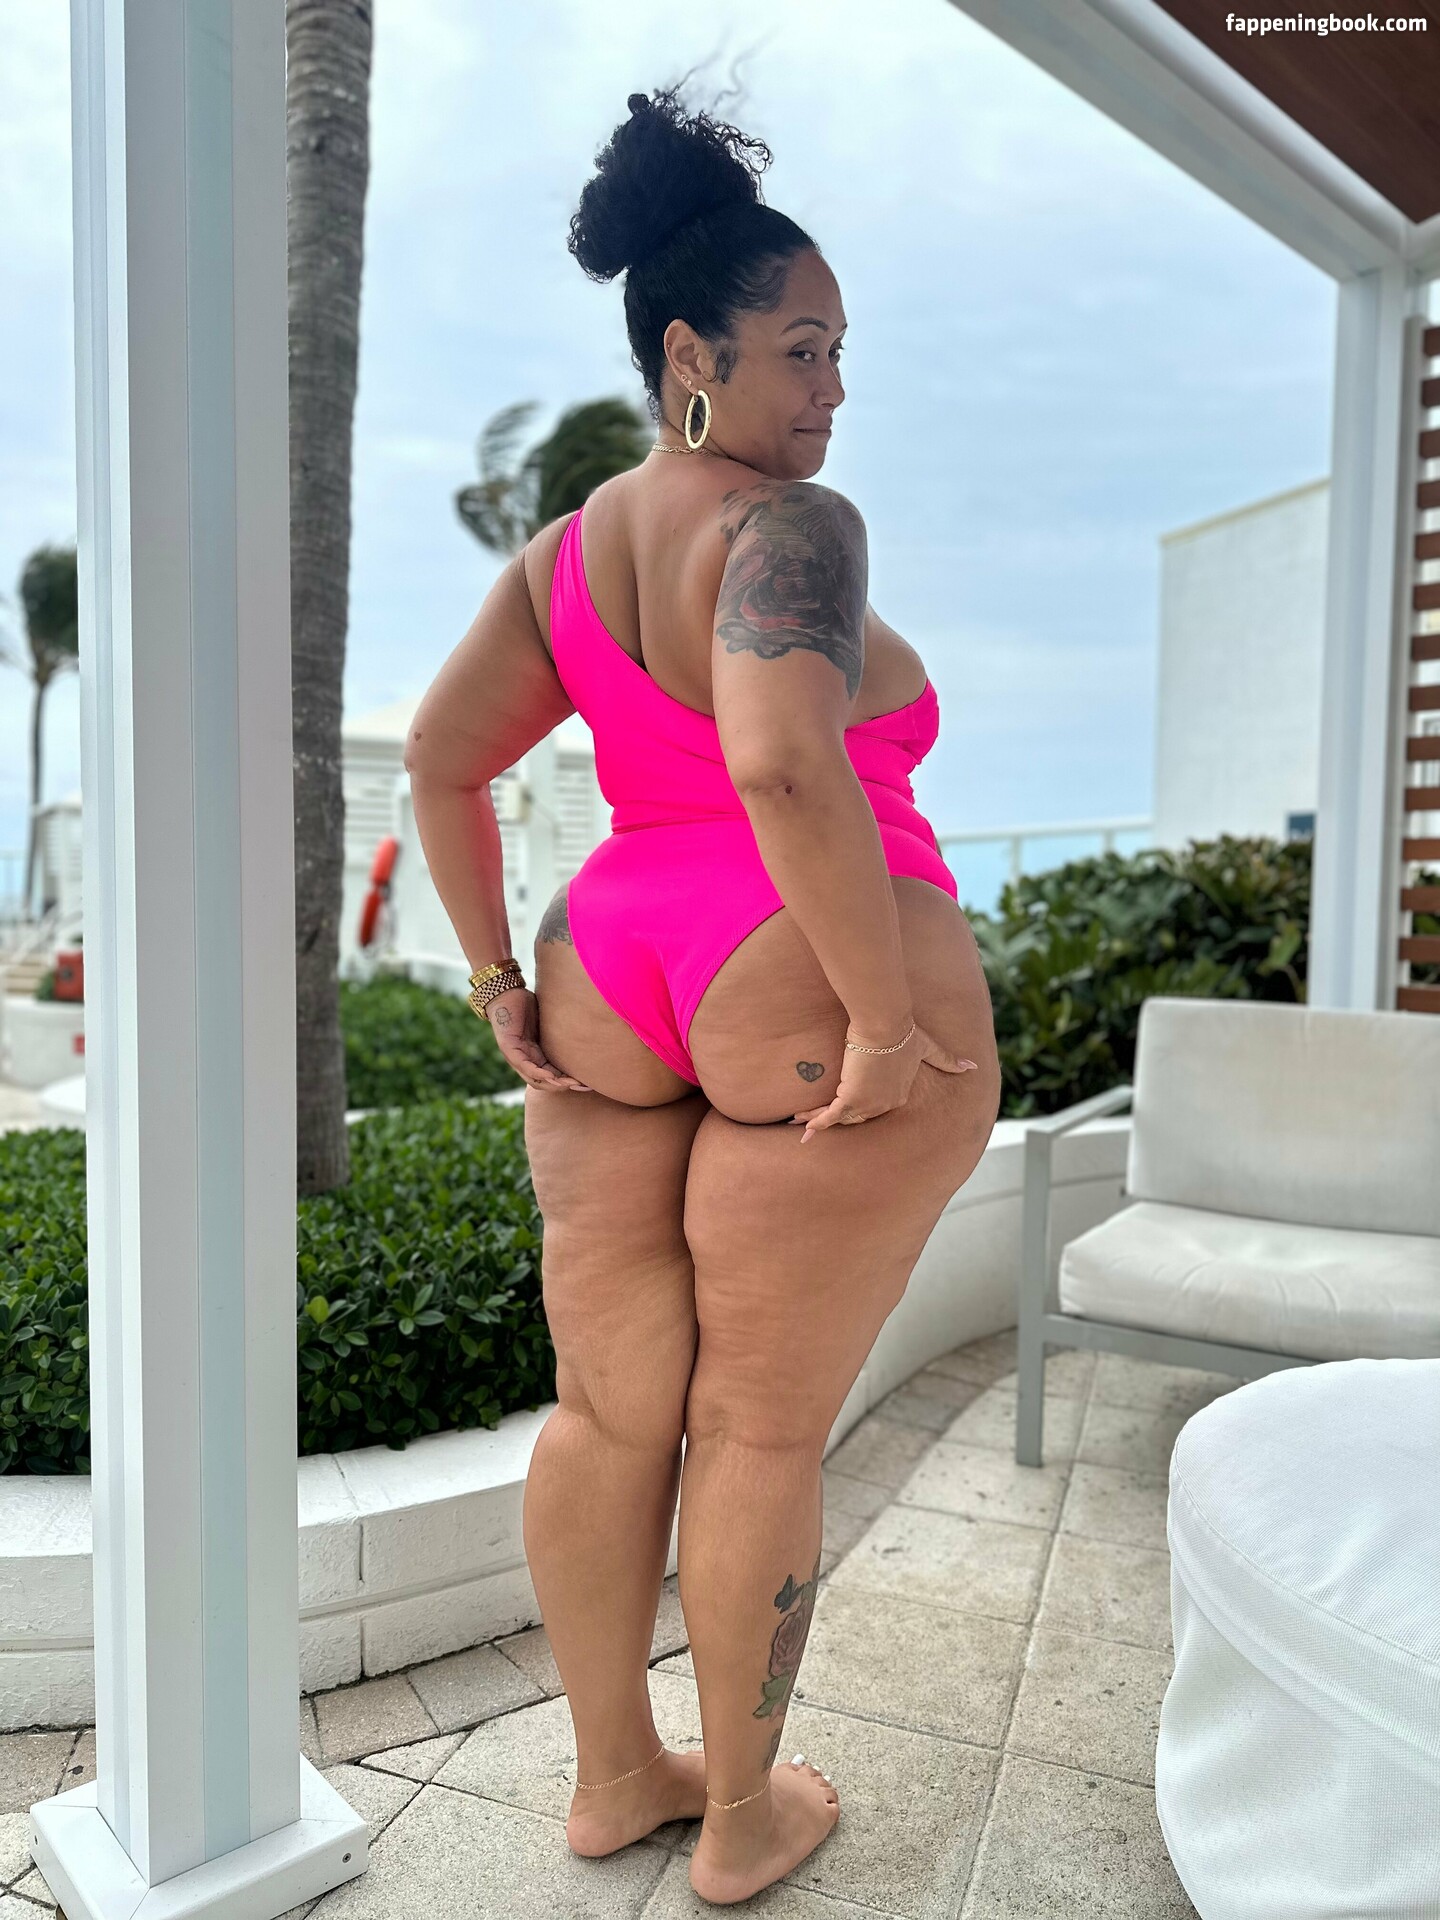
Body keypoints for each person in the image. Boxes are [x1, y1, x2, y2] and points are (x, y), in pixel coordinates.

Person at [404, 82, 1002, 1909]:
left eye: (841, 352)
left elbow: (443, 759)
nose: (833, 390)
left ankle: (615, 1780)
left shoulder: (566, 554)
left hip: (610, 968)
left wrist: (494, 976)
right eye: (801, 349)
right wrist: (883, 1018)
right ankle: (741, 1818)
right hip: (797, 973)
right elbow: (783, 762)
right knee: (754, 1426)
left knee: (608, 1413)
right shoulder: (791, 528)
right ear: (691, 354)